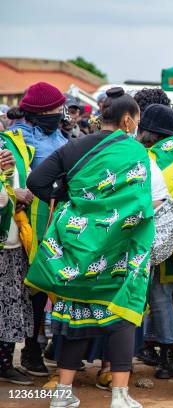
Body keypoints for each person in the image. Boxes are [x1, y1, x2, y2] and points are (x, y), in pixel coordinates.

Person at [25, 87, 154, 408]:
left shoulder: (73, 147)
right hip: (119, 249)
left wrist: (74, 204)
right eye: (136, 121)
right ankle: (120, 396)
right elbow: (139, 202)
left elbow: (36, 182)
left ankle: (64, 394)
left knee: (74, 314)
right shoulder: (135, 152)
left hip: (78, 246)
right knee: (121, 314)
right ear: (127, 121)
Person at [10, 82, 67, 378]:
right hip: (24, 228)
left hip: (53, 224)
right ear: (42, 112)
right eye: (56, 109)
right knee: (25, 291)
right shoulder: (17, 140)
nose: (61, 114)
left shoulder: (58, 135)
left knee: (44, 289)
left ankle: (40, 348)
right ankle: (23, 352)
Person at [136, 103, 173, 380]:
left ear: (150, 132)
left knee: (159, 295)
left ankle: (167, 355)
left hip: (163, 235)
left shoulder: (151, 155)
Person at [0, 131, 34, 385]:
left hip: (13, 240)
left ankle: (5, 362)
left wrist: (20, 189)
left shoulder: (10, 146)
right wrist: (13, 192)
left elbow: (21, 180)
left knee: (11, 304)